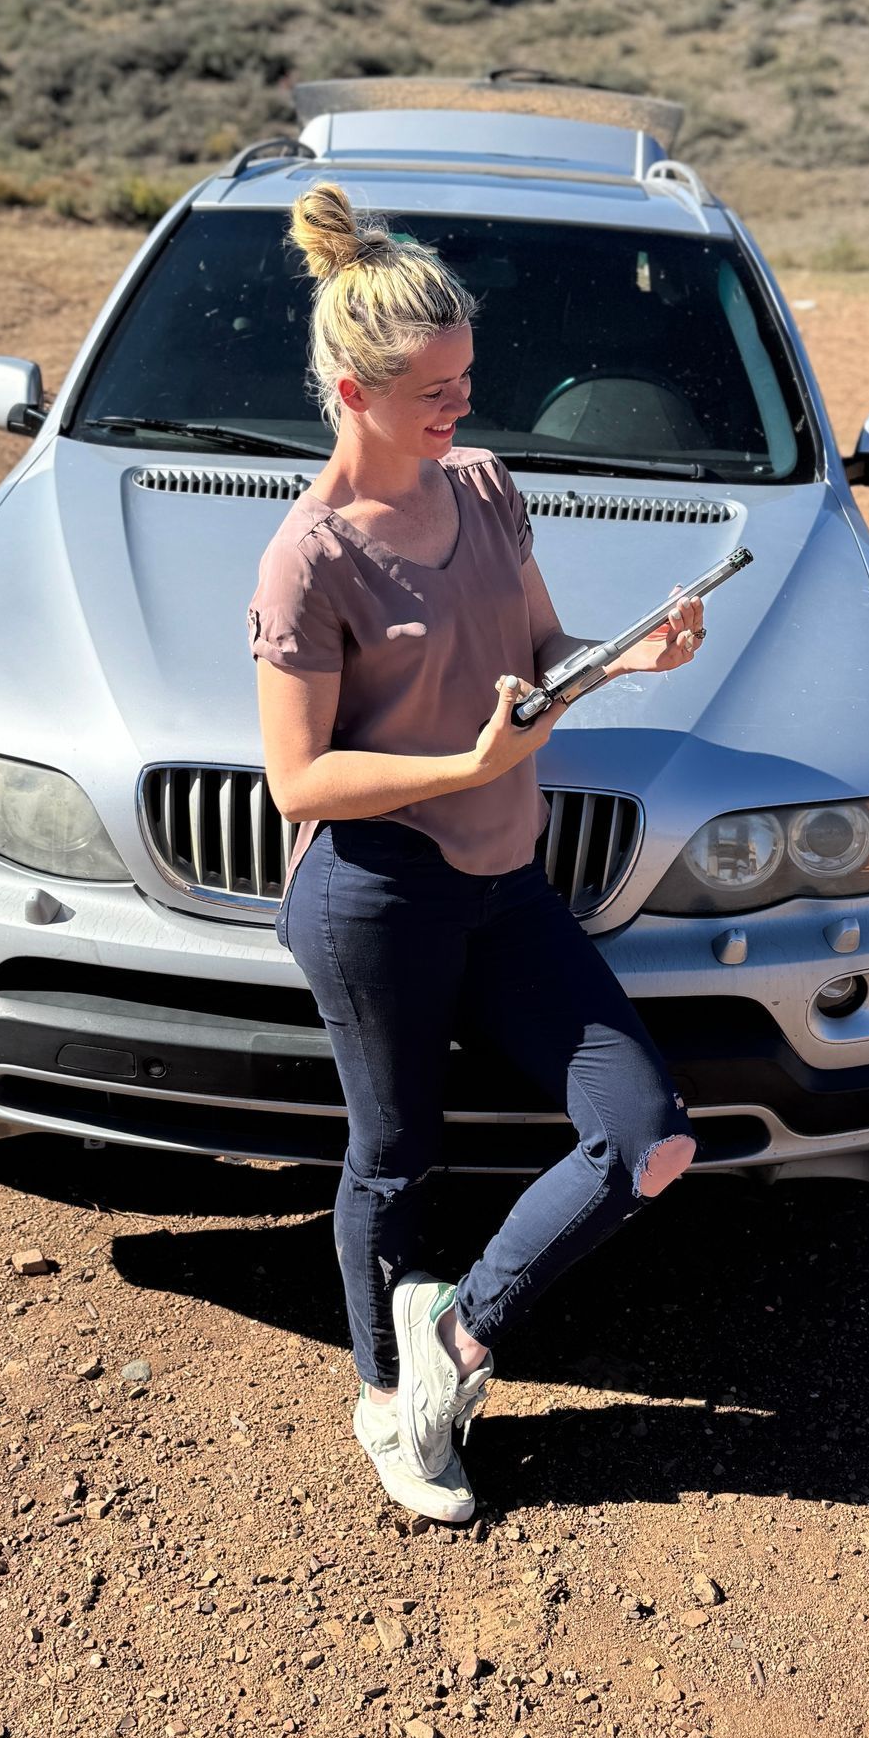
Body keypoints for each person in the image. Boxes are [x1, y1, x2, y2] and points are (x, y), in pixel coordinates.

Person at [248, 182, 705, 1524]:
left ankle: (454, 1340)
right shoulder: (310, 561)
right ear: (353, 391)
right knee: (395, 1161)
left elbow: (539, 653)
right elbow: (298, 777)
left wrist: (621, 658)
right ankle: (391, 1407)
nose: (461, 408)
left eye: (466, 379)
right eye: (433, 390)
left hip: (510, 889)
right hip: (378, 896)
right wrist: (461, 767)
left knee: (646, 1136)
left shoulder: (489, 491)